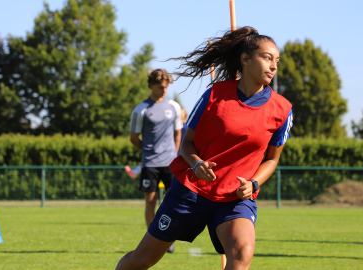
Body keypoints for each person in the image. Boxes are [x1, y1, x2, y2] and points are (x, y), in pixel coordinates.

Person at [115, 26, 293, 270]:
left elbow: (271, 160)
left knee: (242, 254)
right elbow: (186, 144)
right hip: (191, 191)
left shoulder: (283, 109)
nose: (273, 66)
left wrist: (253, 184)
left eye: (277, 60)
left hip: (235, 199)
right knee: (143, 259)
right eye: (267, 57)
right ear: (245, 59)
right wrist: (197, 163)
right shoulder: (215, 95)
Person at [128, 69, 183, 253]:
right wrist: (148, 151)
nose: (164, 90)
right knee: (150, 202)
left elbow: (178, 134)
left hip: (169, 164)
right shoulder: (140, 110)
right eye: (160, 87)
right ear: (151, 85)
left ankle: (168, 239)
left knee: (171, 202)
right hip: (149, 164)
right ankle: (152, 241)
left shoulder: (174, 107)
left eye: (166, 87)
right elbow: (134, 138)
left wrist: (174, 156)